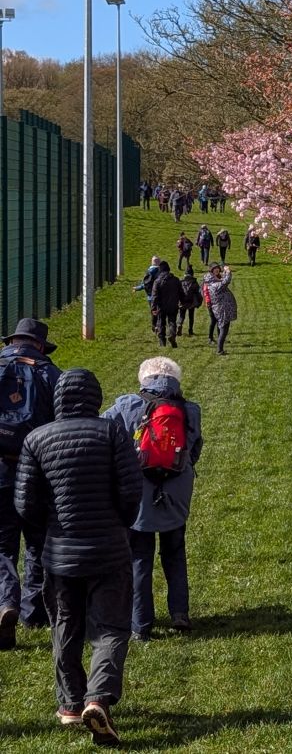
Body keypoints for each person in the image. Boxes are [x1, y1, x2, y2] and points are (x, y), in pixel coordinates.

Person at [15, 368, 142, 745]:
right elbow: (131, 489)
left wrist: (51, 527)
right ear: (95, 397)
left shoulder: (36, 438)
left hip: (60, 552)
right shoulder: (111, 431)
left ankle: (70, 704)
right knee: (112, 627)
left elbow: (25, 503)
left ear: (58, 398)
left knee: (65, 627)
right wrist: (120, 523)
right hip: (109, 548)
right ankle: (98, 697)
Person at [102, 358, 202, 644]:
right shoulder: (190, 410)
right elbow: (195, 447)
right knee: (175, 553)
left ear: (143, 379)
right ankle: (180, 612)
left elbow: (105, 435)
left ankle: (140, 624)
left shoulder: (125, 405)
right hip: (176, 492)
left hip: (138, 493)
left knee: (139, 559)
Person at [0, 319, 59, 650]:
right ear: (39, 345)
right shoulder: (51, 374)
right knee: (37, 540)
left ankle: (5, 600)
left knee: (1, 545)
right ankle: (33, 611)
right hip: (36, 470)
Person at [206, 265, 238, 356]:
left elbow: (222, 280)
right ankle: (219, 350)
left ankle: (220, 349)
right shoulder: (216, 285)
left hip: (219, 309)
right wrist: (228, 271)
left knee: (223, 328)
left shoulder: (212, 284)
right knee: (224, 329)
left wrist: (224, 272)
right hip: (222, 310)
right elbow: (226, 281)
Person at [150, 261, 183, 349]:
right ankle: (172, 335)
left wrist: (153, 308)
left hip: (161, 306)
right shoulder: (176, 280)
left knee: (161, 322)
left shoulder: (157, 281)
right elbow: (181, 292)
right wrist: (182, 302)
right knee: (172, 322)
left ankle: (162, 342)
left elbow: (154, 296)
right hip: (173, 305)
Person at [134, 256, 162, 337]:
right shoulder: (160, 272)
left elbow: (145, 284)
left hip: (150, 297)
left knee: (153, 311)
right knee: (160, 311)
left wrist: (137, 288)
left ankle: (154, 325)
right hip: (159, 295)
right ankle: (159, 325)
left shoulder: (149, 272)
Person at [178, 267, 201, 337]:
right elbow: (198, 293)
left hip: (182, 302)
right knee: (191, 317)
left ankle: (179, 324)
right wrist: (199, 303)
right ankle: (190, 330)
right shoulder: (194, 282)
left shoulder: (181, 282)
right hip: (191, 302)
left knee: (181, 316)